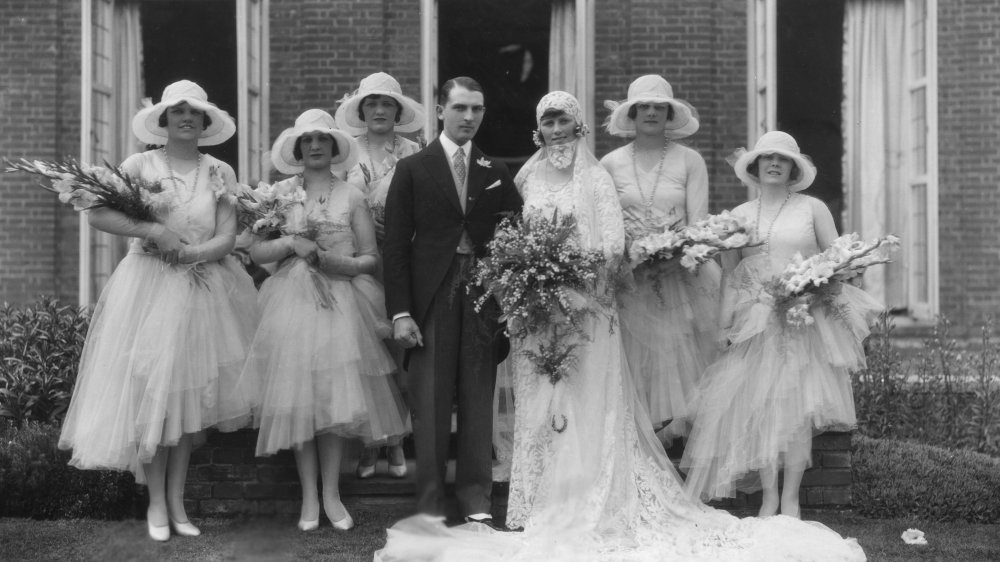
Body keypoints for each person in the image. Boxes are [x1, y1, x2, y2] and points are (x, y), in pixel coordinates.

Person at [374, 95, 866, 562]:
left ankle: (593, 491)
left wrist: (576, 284)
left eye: (564, 121)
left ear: (578, 126)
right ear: (538, 129)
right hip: (540, 314)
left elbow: (611, 243)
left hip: (589, 309)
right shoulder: (524, 176)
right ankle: (538, 501)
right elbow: (508, 234)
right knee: (543, 401)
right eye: (548, 122)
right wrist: (532, 284)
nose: (556, 131)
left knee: (587, 399)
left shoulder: (596, 178)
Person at [57, 80, 259, 541]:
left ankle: (178, 503)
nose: (186, 118)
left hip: (202, 288)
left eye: (195, 113)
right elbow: (98, 214)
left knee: (185, 402)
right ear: (164, 120)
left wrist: (192, 254)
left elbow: (228, 236)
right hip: (147, 286)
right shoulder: (139, 164)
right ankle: (155, 505)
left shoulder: (219, 171)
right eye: (177, 112)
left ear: (205, 122)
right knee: (153, 397)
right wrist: (155, 230)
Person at [680, 131, 882, 518]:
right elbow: (729, 276)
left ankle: (791, 498)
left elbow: (840, 262)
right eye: (766, 158)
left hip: (802, 320)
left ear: (793, 168)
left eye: (783, 159)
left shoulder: (812, 208)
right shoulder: (739, 216)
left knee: (796, 408)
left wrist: (811, 288)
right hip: (754, 321)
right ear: (755, 167)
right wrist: (724, 325)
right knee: (762, 407)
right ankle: (769, 496)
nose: (774, 164)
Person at [244, 109, 410, 531]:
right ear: (298, 148)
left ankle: (332, 494)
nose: (315, 146)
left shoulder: (352, 195)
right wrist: (290, 242)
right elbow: (256, 251)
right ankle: (308, 500)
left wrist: (339, 262)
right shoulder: (278, 193)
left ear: (335, 148)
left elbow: (372, 258)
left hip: (342, 303)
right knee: (301, 399)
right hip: (292, 304)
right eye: (307, 141)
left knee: (334, 400)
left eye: (323, 140)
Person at [382, 76, 523, 526]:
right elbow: (397, 247)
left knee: (478, 395)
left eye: (477, 109)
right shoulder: (414, 169)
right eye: (460, 108)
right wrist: (401, 312)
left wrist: (509, 291)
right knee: (432, 399)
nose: (469, 117)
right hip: (432, 294)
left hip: (482, 294)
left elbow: (515, 235)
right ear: (441, 110)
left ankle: (475, 496)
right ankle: (430, 499)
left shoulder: (494, 170)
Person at [600, 74, 720, 437]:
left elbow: (698, 223)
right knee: (635, 361)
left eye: (659, 107)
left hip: (681, 276)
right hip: (630, 278)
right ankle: (639, 445)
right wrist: (631, 257)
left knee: (678, 358)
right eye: (644, 107)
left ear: (669, 114)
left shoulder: (690, 161)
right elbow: (608, 225)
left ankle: (674, 438)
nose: (651, 113)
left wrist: (674, 252)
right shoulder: (610, 163)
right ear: (632, 114)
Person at [336, 72, 425, 479]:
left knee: (401, 350)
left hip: (405, 257)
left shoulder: (415, 149)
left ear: (397, 111)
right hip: (363, 258)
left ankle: (397, 442)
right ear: (361, 111)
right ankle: (372, 444)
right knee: (369, 350)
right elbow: (336, 203)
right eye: (371, 104)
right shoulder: (346, 153)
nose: (378, 111)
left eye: (386, 104)